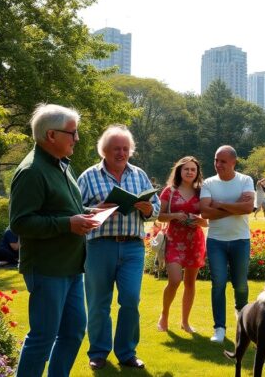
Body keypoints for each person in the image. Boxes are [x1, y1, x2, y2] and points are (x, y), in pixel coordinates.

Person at [9, 104, 101, 377]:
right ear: (51, 135)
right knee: (42, 338)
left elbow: (62, 209)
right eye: (72, 133)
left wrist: (86, 214)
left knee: (73, 333)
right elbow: (20, 223)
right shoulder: (32, 171)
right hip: (47, 268)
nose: (77, 138)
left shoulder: (61, 165)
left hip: (71, 266)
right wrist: (67, 223)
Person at [77, 125, 160, 370]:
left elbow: (155, 208)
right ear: (104, 150)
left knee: (131, 300)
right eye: (116, 149)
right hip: (100, 246)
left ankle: (127, 352)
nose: (121, 153)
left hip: (133, 247)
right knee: (98, 302)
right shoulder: (88, 176)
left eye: (125, 148)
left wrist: (148, 209)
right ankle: (99, 352)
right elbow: (74, 210)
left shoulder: (139, 175)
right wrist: (98, 208)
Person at [199, 145, 255, 343]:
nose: (218, 164)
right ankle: (219, 328)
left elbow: (248, 207)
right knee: (219, 284)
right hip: (216, 241)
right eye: (216, 160)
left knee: (240, 285)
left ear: (234, 162)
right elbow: (204, 212)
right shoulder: (208, 183)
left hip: (240, 240)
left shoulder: (245, 180)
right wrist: (235, 206)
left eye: (223, 161)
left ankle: (242, 319)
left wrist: (219, 204)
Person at [155, 156, 207, 333]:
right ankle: (164, 315)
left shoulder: (202, 192)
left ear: (197, 172)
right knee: (175, 280)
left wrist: (198, 220)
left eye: (193, 169)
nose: (190, 172)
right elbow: (159, 216)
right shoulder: (169, 192)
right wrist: (175, 216)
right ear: (179, 171)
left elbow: (207, 220)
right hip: (174, 240)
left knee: (190, 283)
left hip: (195, 241)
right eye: (187, 169)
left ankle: (185, 322)